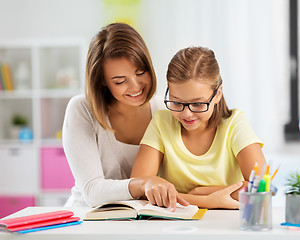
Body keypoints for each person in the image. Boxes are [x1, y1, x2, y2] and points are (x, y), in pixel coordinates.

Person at [62, 22, 187, 211]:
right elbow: (91, 191)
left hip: (139, 220)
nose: (136, 86)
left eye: (140, 72)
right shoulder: (81, 109)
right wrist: (143, 184)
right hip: (86, 218)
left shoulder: (165, 110)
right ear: (102, 81)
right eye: (120, 81)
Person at [131, 46, 266, 209]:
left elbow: (262, 189)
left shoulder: (234, 124)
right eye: (176, 102)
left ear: (217, 94)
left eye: (197, 104)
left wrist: (198, 192)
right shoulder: (161, 123)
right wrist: (207, 200)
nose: (187, 114)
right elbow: (138, 189)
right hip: (175, 223)